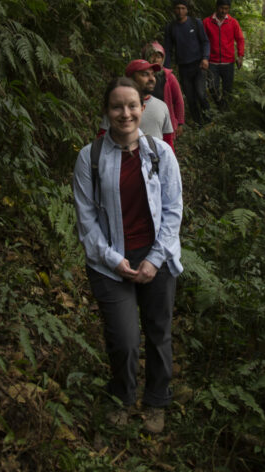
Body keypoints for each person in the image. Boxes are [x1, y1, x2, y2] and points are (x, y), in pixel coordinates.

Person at [74, 77, 183, 434]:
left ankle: (156, 400)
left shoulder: (160, 153)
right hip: (110, 262)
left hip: (156, 256)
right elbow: (86, 219)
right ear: (106, 111)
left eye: (132, 105)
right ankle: (121, 396)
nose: (126, 113)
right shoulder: (88, 157)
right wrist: (112, 260)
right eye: (117, 106)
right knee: (123, 339)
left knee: (158, 331)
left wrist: (154, 259)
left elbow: (172, 211)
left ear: (143, 108)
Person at [99, 59, 175, 148]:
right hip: (121, 158)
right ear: (130, 78)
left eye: (153, 74)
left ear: (143, 108)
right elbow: (102, 137)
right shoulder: (118, 107)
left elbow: (168, 140)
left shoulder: (162, 106)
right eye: (145, 74)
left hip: (155, 160)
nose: (152, 79)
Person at [162, 0, 210, 125]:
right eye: (177, 8)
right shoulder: (171, 27)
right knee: (190, 98)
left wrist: (205, 58)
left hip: (198, 65)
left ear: (187, 10)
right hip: (183, 67)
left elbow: (205, 42)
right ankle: (198, 123)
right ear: (174, 10)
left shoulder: (196, 23)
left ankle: (209, 120)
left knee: (201, 94)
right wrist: (166, 69)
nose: (180, 11)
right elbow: (167, 49)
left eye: (183, 8)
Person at [203, 0, 244, 110]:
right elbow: (202, 40)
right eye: (221, 8)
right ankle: (220, 106)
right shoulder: (207, 22)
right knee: (213, 88)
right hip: (212, 62)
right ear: (217, 7)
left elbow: (240, 39)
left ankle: (225, 113)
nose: (223, 11)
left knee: (227, 90)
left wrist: (240, 56)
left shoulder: (233, 22)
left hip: (228, 62)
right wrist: (203, 58)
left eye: (226, 9)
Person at [141, 41, 185, 139]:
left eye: (158, 56)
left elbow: (178, 100)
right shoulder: (140, 76)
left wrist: (180, 123)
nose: (155, 59)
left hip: (165, 121)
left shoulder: (169, 77)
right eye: (152, 55)